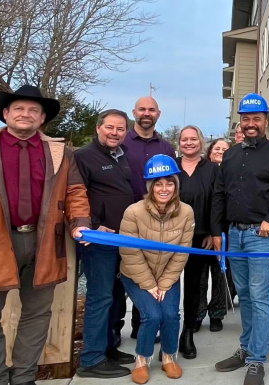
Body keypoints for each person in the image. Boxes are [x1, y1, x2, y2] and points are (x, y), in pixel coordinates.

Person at [0, 85, 91, 385]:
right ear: (6, 114)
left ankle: (25, 377)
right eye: (19, 109)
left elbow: (75, 191)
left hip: (43, 243)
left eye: (33, 111)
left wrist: (79, 222)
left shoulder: (59, 152)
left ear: (42, 119)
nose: (25, 114)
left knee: (37, 315)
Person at [211, 93, 269, 385]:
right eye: (246, 119)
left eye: (257, 119)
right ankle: (246, 347)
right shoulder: (231, 154)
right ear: (241, 121)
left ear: (265, 121)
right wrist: (217, 232)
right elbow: (219, 194)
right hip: (234, 235)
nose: (251, 124)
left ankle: (256, 360)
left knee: (261, 299)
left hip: (262, 236)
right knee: (246, 298)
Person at [119, 155, 194, 384]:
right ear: (150, 186)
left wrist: (164, 283)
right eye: (158, 184)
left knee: (171, 314)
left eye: (169, 183)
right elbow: (130, 253)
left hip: (167, 275)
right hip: (136, 274)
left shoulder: (186, 212)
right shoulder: (133, 212)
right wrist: (150, 285)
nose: (164, 189)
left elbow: (182, 252)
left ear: (176, 185)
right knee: (152, 315)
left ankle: (169, 357)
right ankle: (141, 359)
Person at [75, 109, 135, 378]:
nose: (114, 133)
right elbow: (76, 195)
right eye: (109, 127)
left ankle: (108, 347)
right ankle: (91, 358)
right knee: (99, 297)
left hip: (119, 239)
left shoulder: (120, 156)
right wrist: (94, 224)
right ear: (98, 127)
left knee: (113, 296)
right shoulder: (83, 157)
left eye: (120, 129)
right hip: (98, 240)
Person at [122, 96, 177, 340]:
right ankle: (112, 337)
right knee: (122, 282)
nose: (146, 113)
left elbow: (170, 184)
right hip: (124, 219)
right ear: (134, 112)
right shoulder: (121, 142)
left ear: (158, 114)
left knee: (151, 273)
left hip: (155, 222)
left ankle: (143, 327)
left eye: (151, 110)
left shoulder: (165, 148)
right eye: (142, 109)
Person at [176, 125, 221, 359]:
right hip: (171, 239)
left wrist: (212, 233)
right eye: (185, 139)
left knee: (194, 287)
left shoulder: (212, 169)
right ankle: (168, 330)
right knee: (169, 286)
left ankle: (188, 334)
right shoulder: (171, 166)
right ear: (179, 142)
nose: (189, 143)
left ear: (201, 142)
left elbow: (216, 202)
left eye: (194, 139)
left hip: (199, 237)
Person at [196, 138, 233, 332]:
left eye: (225, 149)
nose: (220, 151)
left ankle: (217, 313)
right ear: (210, 152)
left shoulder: (233, 172)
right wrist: (210, 231)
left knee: (220, 273)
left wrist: (219, 230)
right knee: (200, 276)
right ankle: (198, 313)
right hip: (203, 231)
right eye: (217, 148)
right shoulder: (203, 171)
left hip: (225, 229)